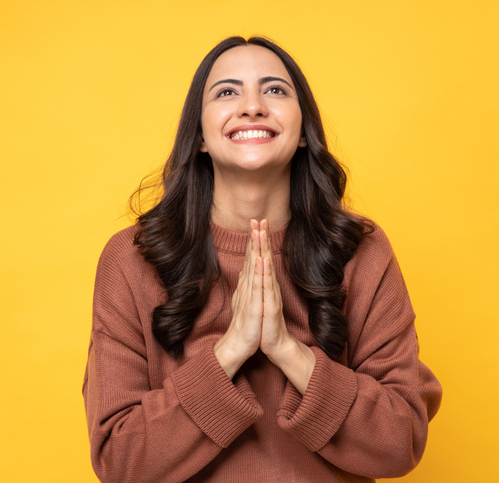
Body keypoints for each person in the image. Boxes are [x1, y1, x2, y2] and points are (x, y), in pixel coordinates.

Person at [83, 36, 442, 483]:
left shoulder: (363, 251)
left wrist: (288, 351)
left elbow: (400, 440)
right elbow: (120, 461)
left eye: (274, 90)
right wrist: (231, 350)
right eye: (227, 92)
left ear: (305, 132)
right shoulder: (132, 259)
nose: (252, 106)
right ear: (198, 137)